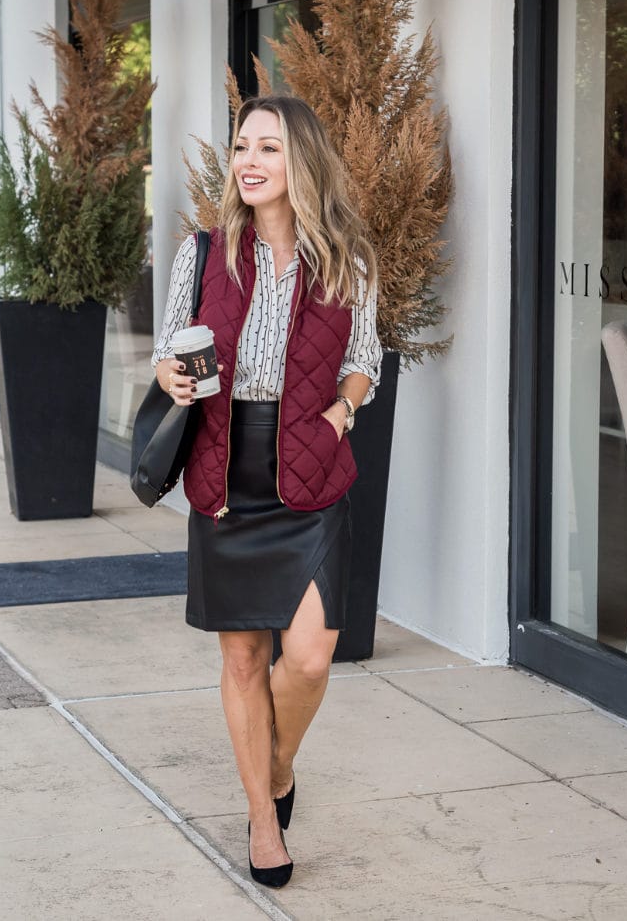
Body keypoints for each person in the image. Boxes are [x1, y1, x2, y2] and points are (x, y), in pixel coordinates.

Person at [151, 95, 381, 888]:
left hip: (311, 467)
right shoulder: (204, 251)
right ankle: (262, 818)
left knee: (311, 657)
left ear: (302, 163)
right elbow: (163, 352)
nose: (248, 161)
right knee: (245, 659)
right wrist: (173, 377)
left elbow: (367, 357)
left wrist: (340, 413)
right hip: (225, 468)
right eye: (242, 146)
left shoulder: (348, 255)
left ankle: (277, 765)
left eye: (269, 149)